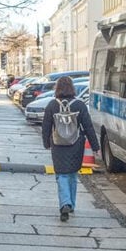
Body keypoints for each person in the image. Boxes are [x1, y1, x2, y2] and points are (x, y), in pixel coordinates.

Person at [41, 76, 99, 221]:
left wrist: (46, 143)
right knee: (73, 173)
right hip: (76, 145)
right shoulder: (79, 105)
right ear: (72, 88)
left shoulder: (52, 105)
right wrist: (95, 146)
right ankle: (71, 204)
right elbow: (88, 127)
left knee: (61, 174)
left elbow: (46, 127)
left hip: (58, 145)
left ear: (57, 88)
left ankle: (65, 203)